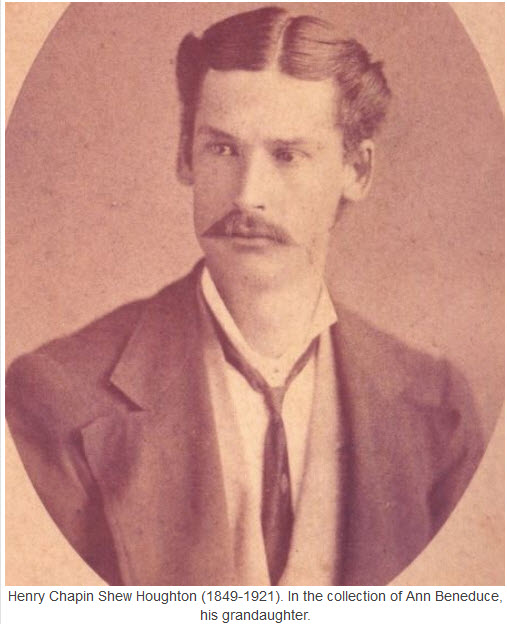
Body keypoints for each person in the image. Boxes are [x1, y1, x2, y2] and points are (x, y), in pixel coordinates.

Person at [6, 6, 484, 586]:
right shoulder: (58, 399)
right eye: (222, 150)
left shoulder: (437, 410)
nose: (248, 195)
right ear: (184, 156)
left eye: (287, 155)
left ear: (357, 170)